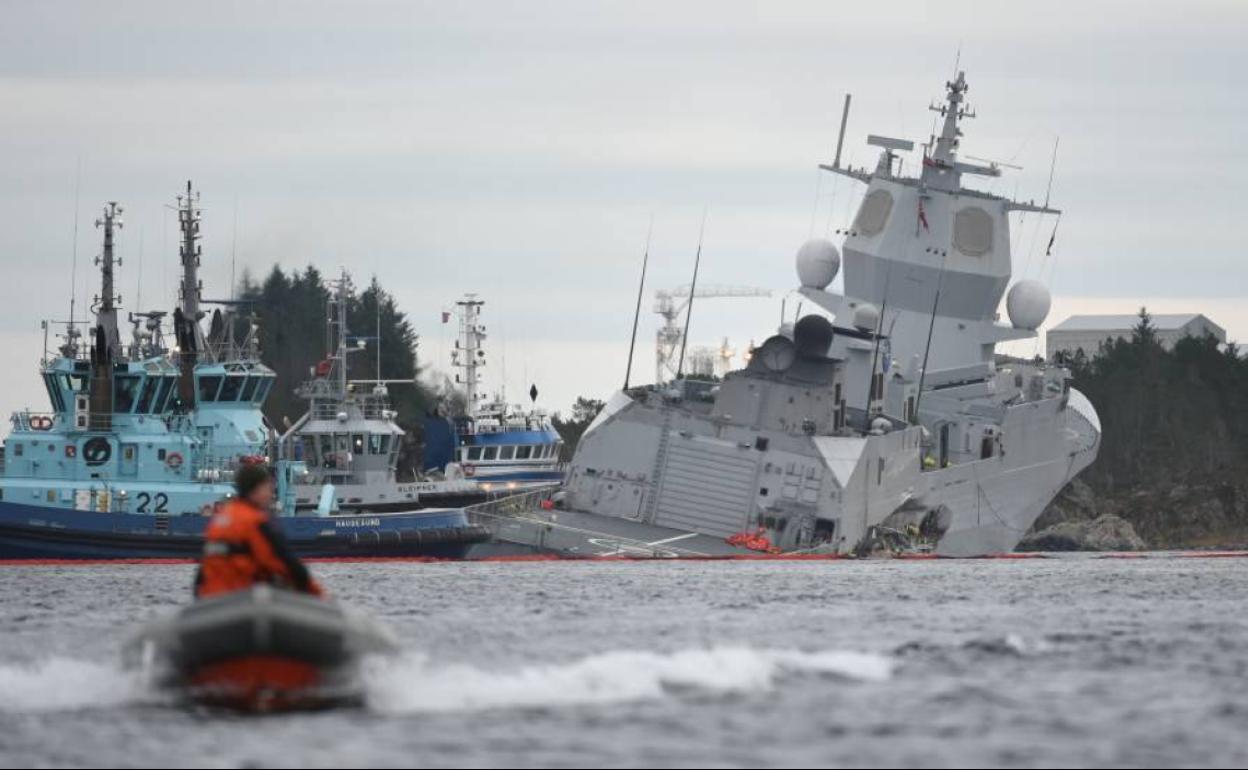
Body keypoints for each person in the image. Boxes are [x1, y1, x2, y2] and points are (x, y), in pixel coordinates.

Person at [194, 464, 324, 599]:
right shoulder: (257, 522)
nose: (270, 494)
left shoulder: (220, 520)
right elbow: (288, 564)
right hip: (239, 598)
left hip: (209, 599)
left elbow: (202, 572)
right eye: (267, 488)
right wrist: (319, 597)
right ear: (255, 490)